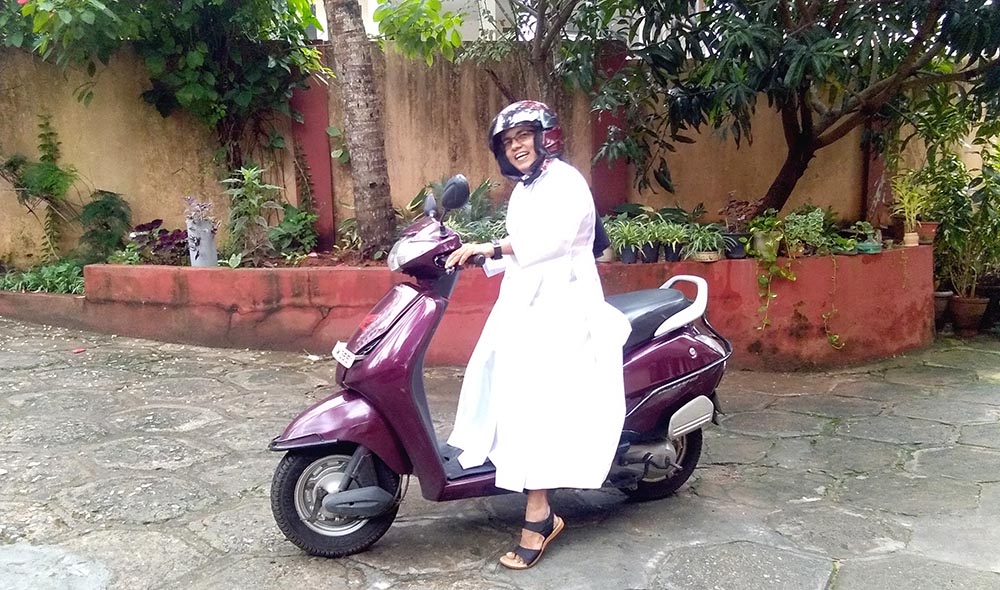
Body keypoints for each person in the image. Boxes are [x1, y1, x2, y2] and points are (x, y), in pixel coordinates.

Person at [445, 100, 631, 570]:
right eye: (509, 142)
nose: (517, 146)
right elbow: (523, 248)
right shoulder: (526, 190)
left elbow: (552, 241)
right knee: (498, 386)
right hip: (526, 305)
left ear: (546, 135)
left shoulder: (566, 181)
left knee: (537, 407)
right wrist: (481, 258)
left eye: (523, 136)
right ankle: (509, 475)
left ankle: (540, 515)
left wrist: (490, 245)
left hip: (563, 310)